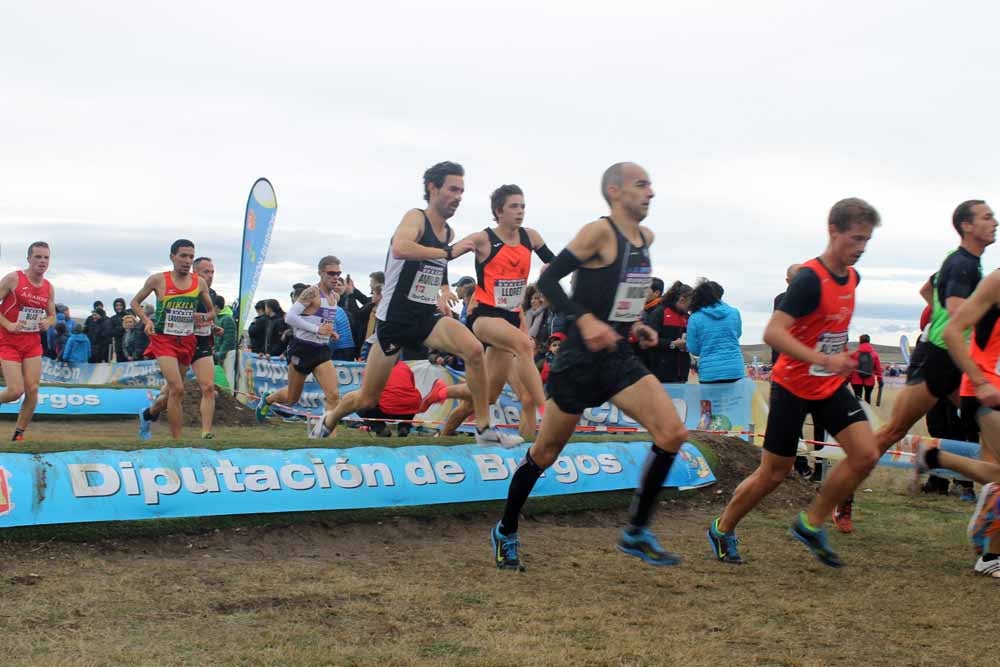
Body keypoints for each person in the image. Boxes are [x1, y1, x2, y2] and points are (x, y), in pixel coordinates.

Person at [490, 162, 690, 571]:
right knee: (544, 453)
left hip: (617, 356)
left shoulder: (645, 239)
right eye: (641, 184)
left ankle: (636, 530)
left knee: (672, 433)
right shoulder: (598, 232)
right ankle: (506, 528)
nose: (650, 192)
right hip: (578, 360)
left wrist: (636, 325)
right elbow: (548, 283)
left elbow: (623, 299)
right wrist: (582, 320)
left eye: (650, 184)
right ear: (615, 192)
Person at [707, 198, 881, 568]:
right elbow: (773, 333)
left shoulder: (852, 277)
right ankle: (722, 527)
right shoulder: (808, 279)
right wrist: (824, 359)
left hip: (829, 385)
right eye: (855, 239)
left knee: (865, 454)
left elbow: (829, 328)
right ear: (833, 230)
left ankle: (811, 521)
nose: (861, 249)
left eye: (866, 240)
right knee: (774, 472)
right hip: (793, 385)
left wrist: (841, 358)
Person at [311, 161, 515, 446]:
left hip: (425, 318)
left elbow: (439, 263)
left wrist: (444, 290)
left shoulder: (448, 232)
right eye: (453, 189)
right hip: (393, 321)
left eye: (462, 191)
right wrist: (446, 252)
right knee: (368, 397)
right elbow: (401, 248)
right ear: (432, 188)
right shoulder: (415, 218)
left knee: (474, 350)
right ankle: (330, 419)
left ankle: (483, 428)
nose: (459, 197)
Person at [833, 200, 997, 522]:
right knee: (893, 430)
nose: (995, 222)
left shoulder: (966, 263)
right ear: (967, 225)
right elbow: (956, 314)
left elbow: (928, 289)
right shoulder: (963, 264)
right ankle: (842, 492)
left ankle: (984, 520)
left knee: (988, 437)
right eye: (987, 217)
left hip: (960, 360)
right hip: (940, 360)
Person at [419, 184, 555, 441]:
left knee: (488, 395)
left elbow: (555, 261)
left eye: (523, 206)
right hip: (484, 317)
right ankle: (545, 411)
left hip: (512, 318)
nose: (520, 211)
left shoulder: (531, 237)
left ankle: (443, 400)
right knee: (524, 345)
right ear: (498, 211)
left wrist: (552, 270)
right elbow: (443, 255)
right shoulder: (483, 239)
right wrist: (445, 289)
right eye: (514, 206)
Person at [925, 268, 1000, 577]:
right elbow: (952, 332)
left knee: (998, 472)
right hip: (988, 391)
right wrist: (980, 381)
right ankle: (986, 535)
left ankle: (933, 457)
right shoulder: (997, 281)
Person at [131, 239, 216, 440]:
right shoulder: (158, 280)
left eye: (191, 257)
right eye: (183, 256)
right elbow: (135, 302)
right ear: (173, 257)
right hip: (163, 340)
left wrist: (202, 317)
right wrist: (146, 321)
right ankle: (178, 441)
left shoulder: (199, 283)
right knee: (178, 388)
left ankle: (149, 414)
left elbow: (212, 312)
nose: (187, 261)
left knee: (170, 392)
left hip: (186, 341)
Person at [255, 256, 346, 430]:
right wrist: (317, 330)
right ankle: (268, 399)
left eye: (338, 274)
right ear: (320, 273)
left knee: (333, 395)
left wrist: (330, 331)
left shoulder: (335, 297)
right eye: (331, 273)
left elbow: (321, 321)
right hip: (302, 349)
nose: (335, 277)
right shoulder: (312, 292)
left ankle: (325, 435)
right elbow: (290, 317)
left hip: (321, 350)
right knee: (292, 397)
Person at [0, 242, 56, 441]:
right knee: (15, 391)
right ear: (29, 259)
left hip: (31, 343)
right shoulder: (13, 278)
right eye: (38, 257)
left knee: (33, 389)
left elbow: (52, 316)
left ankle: (18, 435)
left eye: (46, 258)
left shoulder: (49, 287)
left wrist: (47, 323)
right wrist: (7, 324)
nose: (42, 261)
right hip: (8, 341)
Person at [686, 279, 744, 383]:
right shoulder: (734, 312)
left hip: (709, 371)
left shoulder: (695, 317)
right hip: (735, 369)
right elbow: (738, 334)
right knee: (734, 399)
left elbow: (693, 349)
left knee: (710, 400)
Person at [639, 280, 692, 383]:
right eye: (690, 303)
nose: (690, 307)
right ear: (681, 300)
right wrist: (672, 344)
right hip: (661, 371)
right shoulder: (660, 312)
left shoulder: (688, 317)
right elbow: (650, 340)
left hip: (682, 372)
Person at [357, 358, 422, 437]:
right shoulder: (404, 366)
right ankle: (404, 427)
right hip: (410, 406)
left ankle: (380, 428)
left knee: (359, 404)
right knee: (410, 400)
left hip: (387, 408)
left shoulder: (371, 367)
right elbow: (412, 385)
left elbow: (367, 391)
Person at [849, 334, 883, 403]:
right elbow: (878, 369)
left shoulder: (854, 354)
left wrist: (847, 380)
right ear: (869, 341)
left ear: (860, 341)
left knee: (858, 400)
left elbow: (850, 368)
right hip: (870, 381)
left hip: (856, 380)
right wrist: (880, 381)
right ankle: (867, 411)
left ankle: (858, 413)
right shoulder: (875, 354)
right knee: (867, 398)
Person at [213, 294, 237, 365]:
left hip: (225, 357)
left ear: (216, 306)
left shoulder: (227, 318)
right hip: (217, 354)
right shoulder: (218, 317)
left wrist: (220, 354)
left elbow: (229, 339)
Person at [107, 298, 129, 362]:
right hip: (119, 347)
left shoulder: (129, 316)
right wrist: (122, 328)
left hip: (129, 347)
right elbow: (110, 332)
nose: (118, 307)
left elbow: (133, 328)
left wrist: (118, 329)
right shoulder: (112, 319)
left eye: (120, 305)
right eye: (116, 305)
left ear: (123, 306)